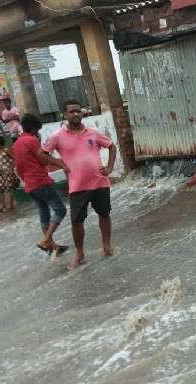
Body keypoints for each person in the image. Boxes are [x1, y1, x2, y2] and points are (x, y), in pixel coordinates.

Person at [42, 99, 117, 268]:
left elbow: (112, 147)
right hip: (77, 186)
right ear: (65, 114)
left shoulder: (93, 132)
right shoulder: (57, 136)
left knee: (104, 214)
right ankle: (79, 253)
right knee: (76, 221)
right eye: (72, 111)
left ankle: (106, 245)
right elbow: (42, 153)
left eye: (78, 111)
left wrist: (110, 167)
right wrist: (60, 164)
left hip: (100, 182)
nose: (76, 114)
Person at [12, 113, 70, 256]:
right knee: (60, 210)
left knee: (44, 213)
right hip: (40, 181)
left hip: (29, 184)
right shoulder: (32, 141)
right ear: (33, 128)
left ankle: (53, 248)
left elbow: (18, 167)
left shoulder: (16, 144)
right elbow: (44, 159)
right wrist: (61, 163)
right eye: (37, 130)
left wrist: (26, 179)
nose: (37, 132)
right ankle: (46, 239)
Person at [0, 136, 19, 212]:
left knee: (10, 188)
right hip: (1, 172)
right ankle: (2, 206)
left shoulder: (6, 150)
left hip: (9, 172)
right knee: (0, 189)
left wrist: (12, 167)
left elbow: (15, 158)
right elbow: (1, 163)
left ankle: (10, 205)